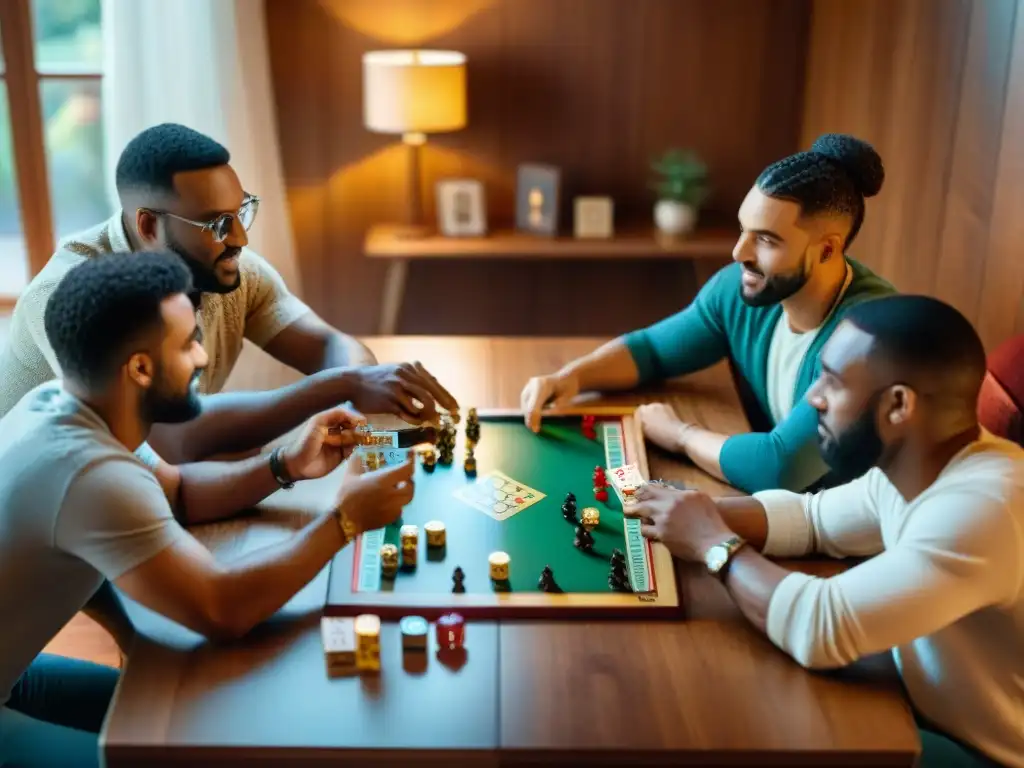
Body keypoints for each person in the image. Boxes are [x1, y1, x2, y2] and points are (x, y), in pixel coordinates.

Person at [0, 251, 415, 767]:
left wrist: (286, 464)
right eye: (189, 344)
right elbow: (223, 609)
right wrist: (344, 520)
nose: (202, 357)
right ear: (141, 368)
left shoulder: (67, 401)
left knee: (189, 730)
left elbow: (177, 492)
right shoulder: (89, 474)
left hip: (14, 676)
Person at [629, 295, 1024, 767]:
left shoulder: (981, 511)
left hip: (977, 752)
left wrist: (714, 543)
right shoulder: (920, 461)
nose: (813, 397)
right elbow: (812, 521)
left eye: (832, 383)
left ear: (898, 405)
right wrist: (694, 510)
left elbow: (819, 627)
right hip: (915, 699)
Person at [0, 122, 460, 470]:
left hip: (129, 494)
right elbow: (174, 442)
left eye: (241, 211)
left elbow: (327, 346)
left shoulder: (223, 267)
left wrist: (352, 394)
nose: (239, 238)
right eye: (218, 223)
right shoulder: (70, 297)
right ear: (148, 226)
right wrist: (341, 386)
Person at [520, 134, 897, 493]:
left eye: (766, 240)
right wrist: (569, 377)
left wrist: (680, 435)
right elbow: (652, 350)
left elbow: (778, 468)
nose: (739, 252)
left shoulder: (865, 340)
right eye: (743, 230)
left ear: (828, 251)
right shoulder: (742, 286)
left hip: (859, 539)